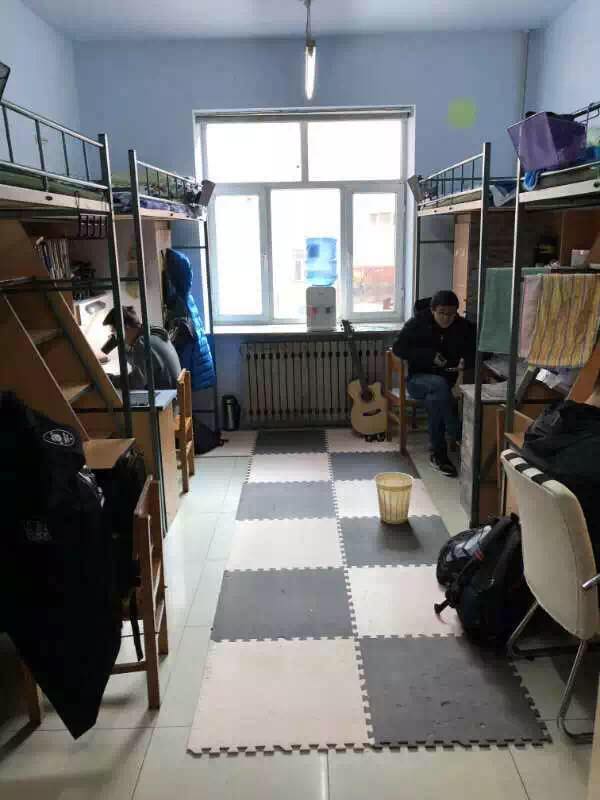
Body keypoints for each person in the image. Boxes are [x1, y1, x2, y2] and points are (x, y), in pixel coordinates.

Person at [393, 290, 475, 477]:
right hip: (417, 381)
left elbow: (481, 350)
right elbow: (398, 348)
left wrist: (466, 361)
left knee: (435, 400)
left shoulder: (463, 327)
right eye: (442, 313)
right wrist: (429, 356)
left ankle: (439, 455)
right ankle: (457, 432)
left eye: (451, 314)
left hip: (444, 385)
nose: (446, 318)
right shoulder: (417, 323)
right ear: (432, 310)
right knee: (439, 385)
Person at [102, 306, 181, 391]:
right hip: (173, 392)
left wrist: (111, 379)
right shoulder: (154, 333)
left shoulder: (142, 343)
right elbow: (141, 368)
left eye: (114, 332)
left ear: (126, 326)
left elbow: (136, 382)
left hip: (165, 396)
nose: (115, 336)